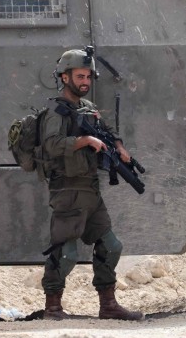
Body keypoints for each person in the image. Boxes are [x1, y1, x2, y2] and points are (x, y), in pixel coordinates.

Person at [39, 48, 143, 321]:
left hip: (90, 190)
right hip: (68, 190)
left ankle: (108, 305)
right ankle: (52, 308)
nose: (85, 82)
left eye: (88, 77)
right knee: (67, 252)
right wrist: (84, 141)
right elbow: (51, 145)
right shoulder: (56, 112)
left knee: (111, 246)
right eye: (79, 76)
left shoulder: (89, 109)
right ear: (64, 77)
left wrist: (118, 146)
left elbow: (107, 131)